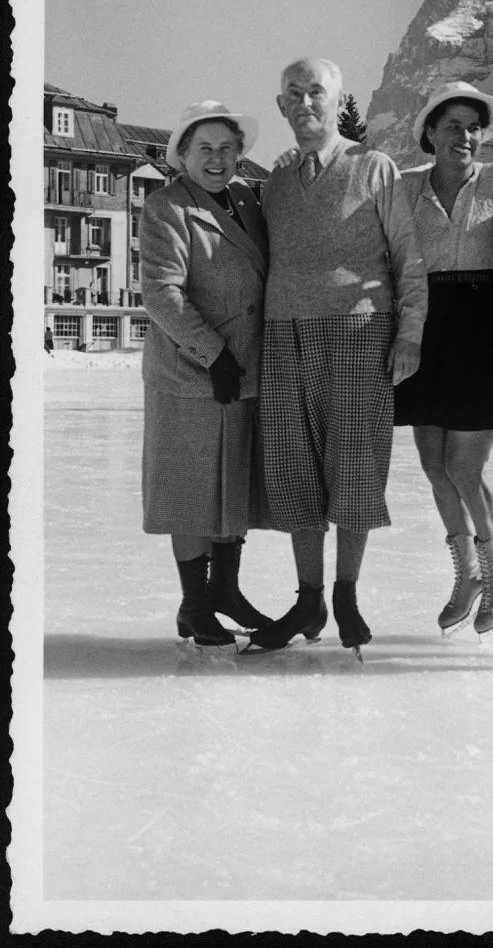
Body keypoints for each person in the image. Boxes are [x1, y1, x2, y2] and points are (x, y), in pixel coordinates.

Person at [248, 57, 427, 657]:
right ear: (281, 106)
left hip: (359, 332)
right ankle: (308, 599)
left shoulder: (373, 167)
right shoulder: (273, 181)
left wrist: (411, 332)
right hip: (282, 336)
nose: (305, 102)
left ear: (336, 98)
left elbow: (408, 256)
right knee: (293, 470)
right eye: (292, 93)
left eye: (316, 92)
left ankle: (346, 594)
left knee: (354, 465)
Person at [394, 81, 493, 638]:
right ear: (430, 132)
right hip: (422, 326)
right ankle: (470, 574)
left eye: (474, 127)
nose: (466, 136)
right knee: (434, 465)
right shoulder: (402, 187)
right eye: (453, 125)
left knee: (464, 467)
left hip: (483, 330)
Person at [140, 100, 272, 649]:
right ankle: (196, 603)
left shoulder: (246, 199)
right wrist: (213, 355)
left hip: (245, 368)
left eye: (226, 148)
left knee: (232, 484)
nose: (217, 159)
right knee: (193, 488)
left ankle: (227, 592)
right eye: (205, 149)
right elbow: (161, 293)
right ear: (184, 155)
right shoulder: (166, 206)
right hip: (191, 372)